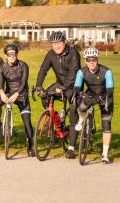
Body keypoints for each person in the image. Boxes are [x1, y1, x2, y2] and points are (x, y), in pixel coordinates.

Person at [35, 31, 80, 159]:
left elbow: (74, 73)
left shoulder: (73, 53)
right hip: (60, 84)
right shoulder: (51, 54)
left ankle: (71, 148)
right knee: (45, 95)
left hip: (74, 85)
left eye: (58, 43)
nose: (56, 46)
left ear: (64, 43)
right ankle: (53, 118)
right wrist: (39, 86)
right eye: (54, 44)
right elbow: (43, 69)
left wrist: (65, 88)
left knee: (72, 112)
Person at [73, 47, 113, 163]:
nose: (92, 62)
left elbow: (110, 89)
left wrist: (102, 97)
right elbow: (77, 86)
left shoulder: (106, 71)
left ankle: (105, 154)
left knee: (106, 125)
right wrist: (80, 93)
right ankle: (81, 120)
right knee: (80, 105)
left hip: (105, 96)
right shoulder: (81, 71)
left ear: (97, 60)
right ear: (85, 60)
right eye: (89, 60)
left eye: (94, 60)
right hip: (91, 93)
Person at [0, 44, 34, 157]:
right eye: (9, 54)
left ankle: (30, 146)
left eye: (14, 54)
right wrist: (2, 93)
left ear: (17, 54)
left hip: (21, 93)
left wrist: (17, 94)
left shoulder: (24, 65)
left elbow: (23, 83)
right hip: (8, 92)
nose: (12, 56)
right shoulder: (2, 67)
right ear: (5, 55)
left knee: (27, 122)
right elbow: (0, 84)